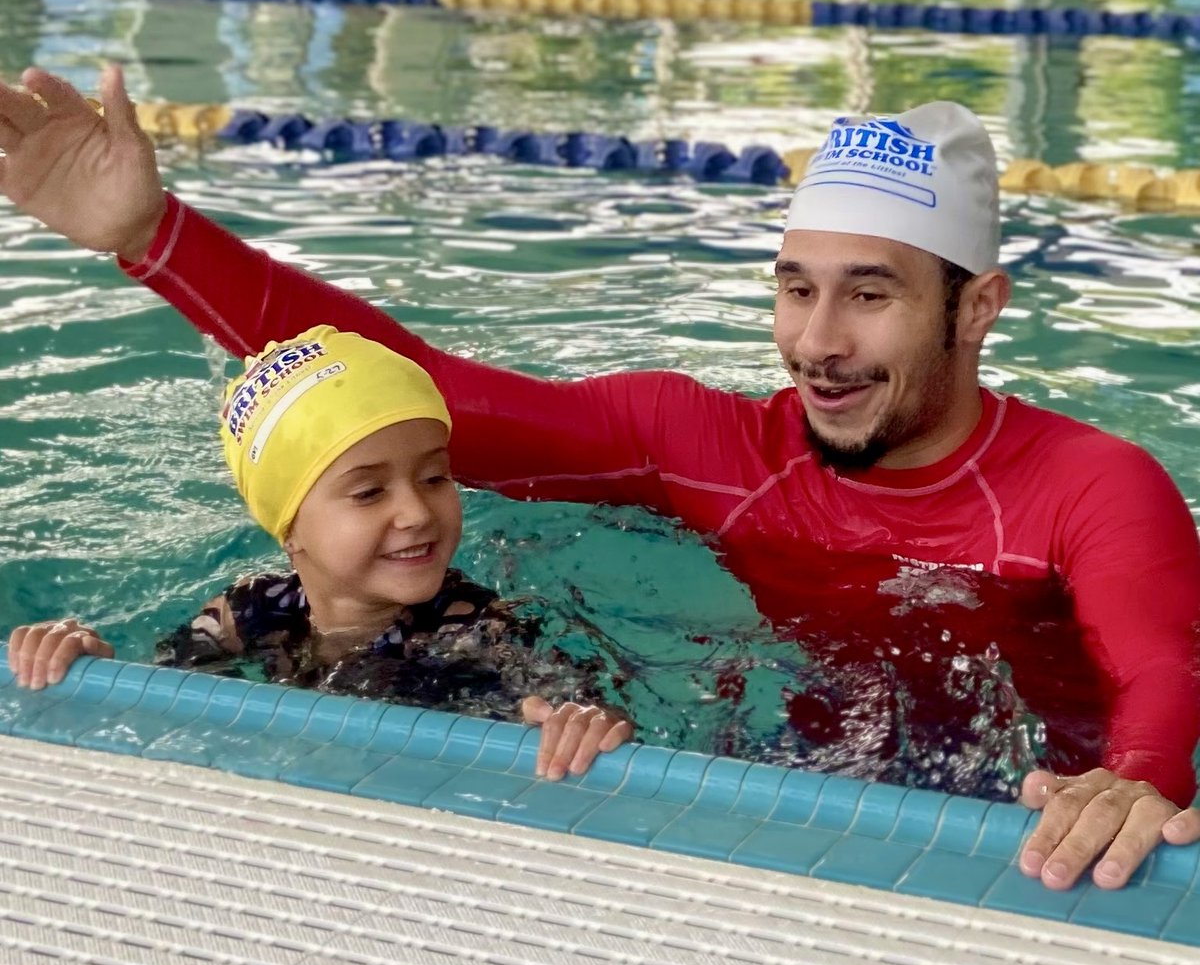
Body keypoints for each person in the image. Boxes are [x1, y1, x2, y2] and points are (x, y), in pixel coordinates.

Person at [0, 65, 1197, 891]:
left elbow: (1166, 667)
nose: (817, 340)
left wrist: (1133, 784)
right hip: (776, 782)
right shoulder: (702, 443)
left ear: (976, 306)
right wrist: (152, 235)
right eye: (795, 286)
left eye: (870, 294)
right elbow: (407, 391)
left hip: (1024, 823)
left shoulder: (1094, 486)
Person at [6, 323, 635, 782]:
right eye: (368, 492)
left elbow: (576, 704)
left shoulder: (477, 627)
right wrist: (90, 668)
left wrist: (586, 718)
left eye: (435, 478)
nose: (417, 512)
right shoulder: (251, 608)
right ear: (290, 530)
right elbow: (157, 695)